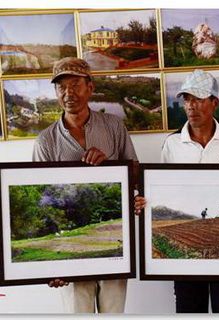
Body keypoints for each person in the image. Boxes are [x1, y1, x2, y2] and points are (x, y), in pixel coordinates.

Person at [135, 69, 219, 313]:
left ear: (215, 102)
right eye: (186, 99)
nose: (191, 106)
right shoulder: (172, 144)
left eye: (198, 99)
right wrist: (147, 202)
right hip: (186, 255)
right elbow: (161, 190)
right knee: (189, 308)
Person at [33, 57, 138, 313]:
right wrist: (51, 265)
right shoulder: (46, 140)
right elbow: (42, 200)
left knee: (113, 312)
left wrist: (110, 165)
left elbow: (135, 173)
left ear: (90, 87)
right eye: (61, 87)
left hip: (114, 241)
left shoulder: (113, 126)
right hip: (69, 245)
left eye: (75, 85)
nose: (68, 93)